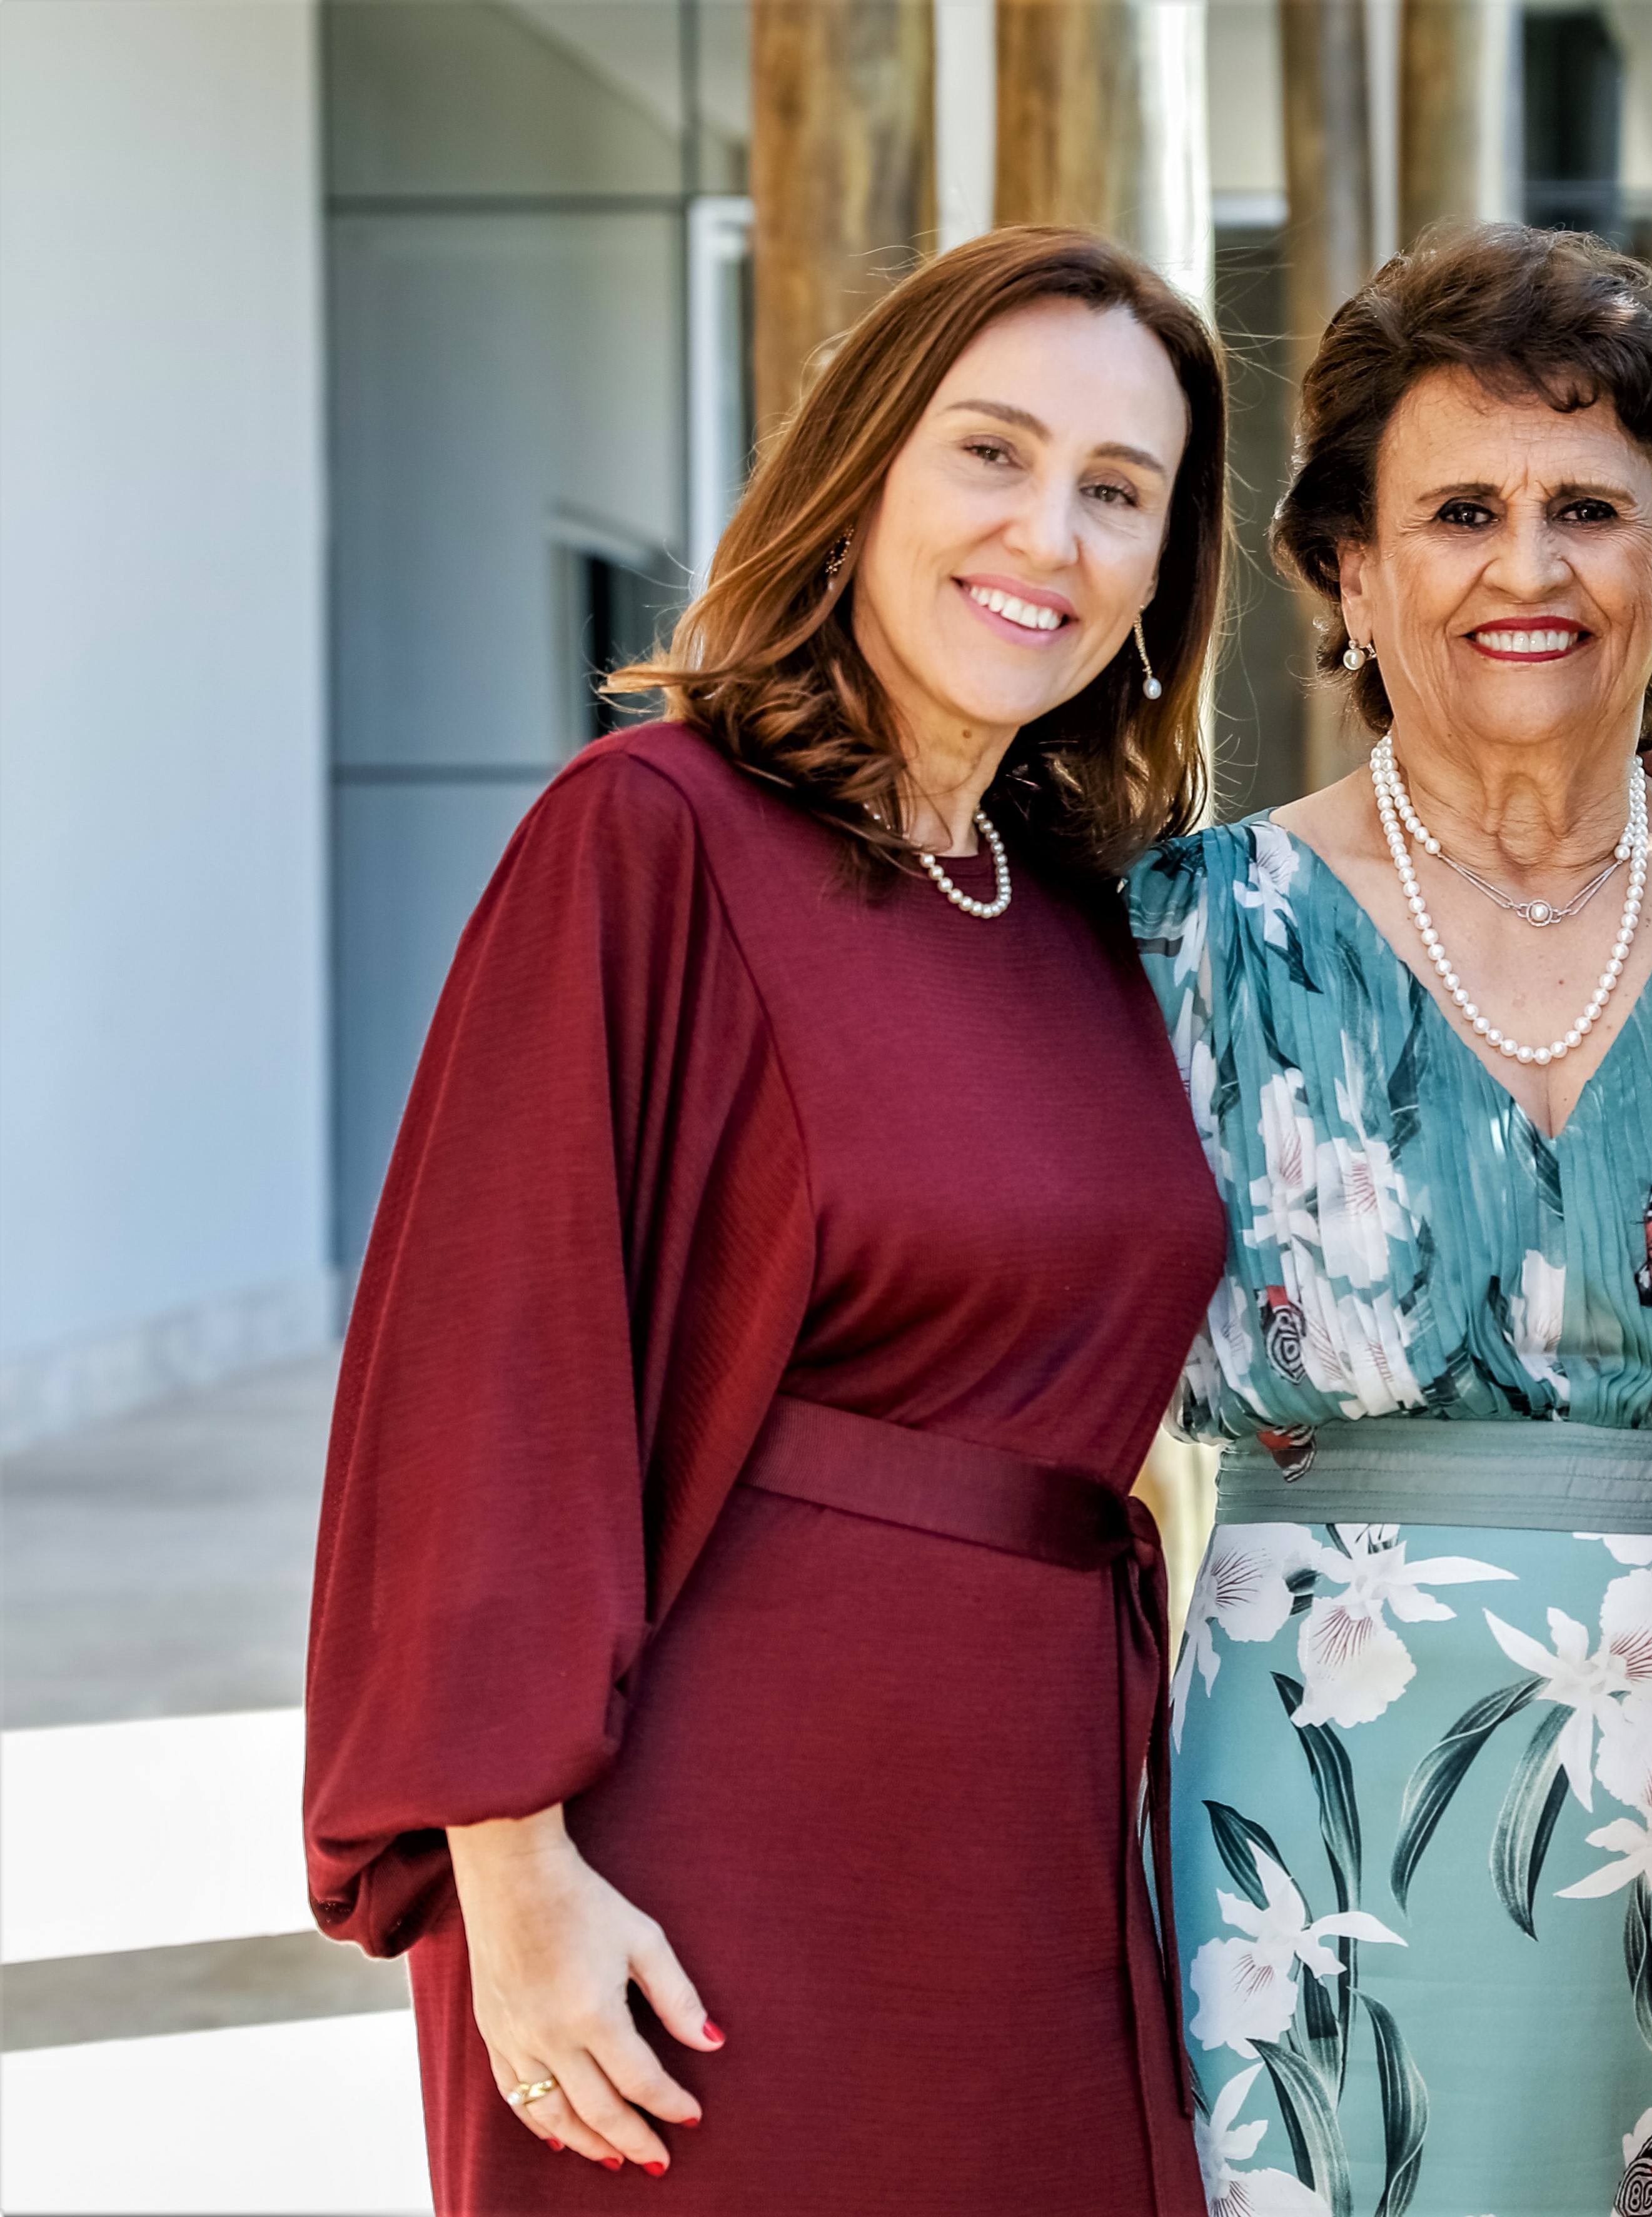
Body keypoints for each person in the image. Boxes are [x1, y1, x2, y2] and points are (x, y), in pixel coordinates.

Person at [302, 227, 1231, 2215]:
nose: (1048, 533)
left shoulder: (1082, 916)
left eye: (1117, 490)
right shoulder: (650, 831)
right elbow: (493, 1366)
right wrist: (511, 1865)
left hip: (1042, 1833)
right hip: (695, 1857)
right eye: (992, 452)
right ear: (864, 469)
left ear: (1167, 570)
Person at [1126, 223, 1652, 2217]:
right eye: (1458, 513)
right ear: (1352, 574)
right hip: (1315, 1795)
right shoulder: (1191, 931)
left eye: (1588, 509)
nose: (1529, 567)